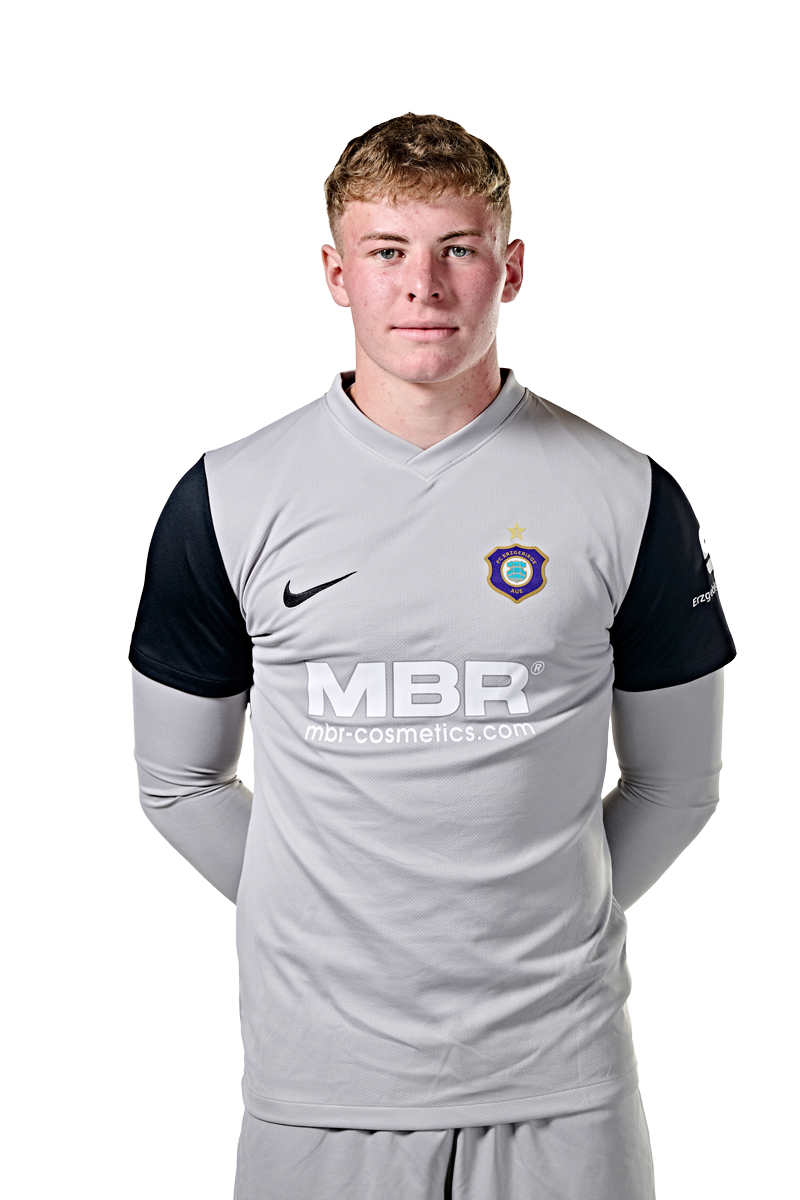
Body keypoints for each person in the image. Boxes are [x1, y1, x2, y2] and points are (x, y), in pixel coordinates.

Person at [130, 112, 736, 1199]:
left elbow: (677, 786)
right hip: (322, 1089)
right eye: (386, 251)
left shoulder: (627, 495)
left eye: (458, 248)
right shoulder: (228, 498)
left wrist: (540, 923)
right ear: (336, 274)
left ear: (510, 266)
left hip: (562, 1085)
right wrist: (331, 920)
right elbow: (177, 782)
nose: (423, 285)